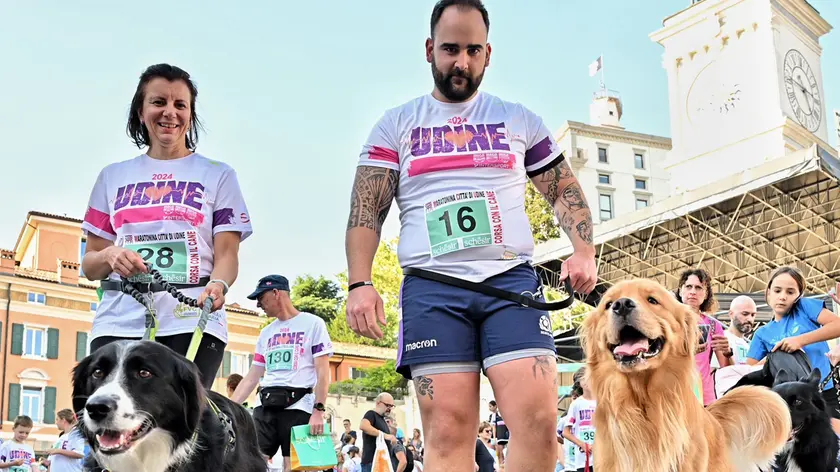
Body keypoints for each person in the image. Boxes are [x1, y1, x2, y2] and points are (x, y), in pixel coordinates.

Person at [343, 1, 597, 470]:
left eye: (473, 50)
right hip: (434, 290)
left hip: (510, 285)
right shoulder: (395, 124)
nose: (461, 62)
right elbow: (366, 210)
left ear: (488, 53)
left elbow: (562, 187)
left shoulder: (518, 118)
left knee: (540, 427)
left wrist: (584, 249)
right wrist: (360, 283)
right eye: (450, 49)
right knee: (446, 434)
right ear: (429, 50)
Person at [80, 63, 253, 388]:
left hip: (190, 317)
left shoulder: (218, 174)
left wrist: (218, 285)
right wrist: (110, 255)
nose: (169, 113)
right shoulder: (112, 176)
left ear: (190, 114)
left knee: (179, 427)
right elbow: (90, 264)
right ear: (141, 111)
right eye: (159, 102)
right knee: (109, 420)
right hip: (120, 318)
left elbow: (227, 254)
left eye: (180, 105)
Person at [231, 275, 333, 472]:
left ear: (276, 293)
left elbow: (323, 371)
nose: (259, 304)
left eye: (261, 297)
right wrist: (229, 407)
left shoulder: (313, 324)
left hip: (299, 404)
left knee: (292, 465)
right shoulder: (266, 333)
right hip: (265, 404)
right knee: (252, 463)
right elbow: (253, 375)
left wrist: (318, 411)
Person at [747, 266, 840, 434]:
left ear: (799, 296)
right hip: (790, 402)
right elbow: (751, 368)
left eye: (790, 292)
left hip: (823, 392)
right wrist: (775, 357)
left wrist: (799, 341)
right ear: (768, 293)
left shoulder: (805, 307)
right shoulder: (761, 334)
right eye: (777, 290)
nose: (782, 296)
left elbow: (838, 324)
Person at [674, 268, 732, 405]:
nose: (693, 292)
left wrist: (728, 352)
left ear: (706, 294)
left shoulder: (713, 325)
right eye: (688, 286)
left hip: (704, 395)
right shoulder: (668, 320)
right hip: (675, 392)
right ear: (681, 290)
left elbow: (725, 368)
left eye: (699, 288)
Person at [562, 369, 596, 472]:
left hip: (601, 455)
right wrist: (582, 445)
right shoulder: (576, 404)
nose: (586, 381)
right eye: (583, 379)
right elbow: (566, 432)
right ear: (579, 383)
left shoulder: (602, 402)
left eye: (589, 378)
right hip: (583, 458)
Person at [711, 295, 757, 367]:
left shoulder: (748, 346)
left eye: (753, 315)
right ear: (731, 314)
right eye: (745, 314)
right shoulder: (722, 340)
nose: (749, 319)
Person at [359, 393, 398, 472]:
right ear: (378, 402)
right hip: (372, 463)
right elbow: (363, 426)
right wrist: (385, 435)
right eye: (387, 405)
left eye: (391, 406)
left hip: (381, 463)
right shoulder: (371, 414)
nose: (389, 408)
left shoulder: (382, 419)